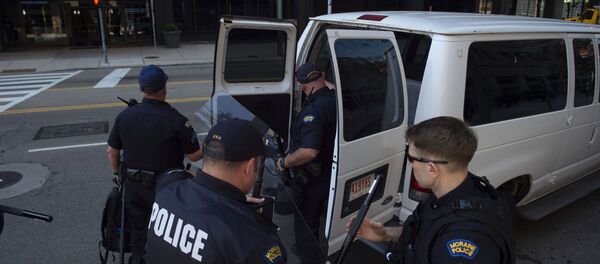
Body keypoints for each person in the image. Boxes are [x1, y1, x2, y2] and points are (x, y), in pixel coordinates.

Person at [347, 116, 515, 264]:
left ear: (432, 169)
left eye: (411, 158)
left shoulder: (463, 242)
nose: (410, 165)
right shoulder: (452, 194)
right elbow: (425, 232)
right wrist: (384, 234)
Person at [145, 118, 287, 263]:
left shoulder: (168, 189)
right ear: (250, 166)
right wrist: (245, 217)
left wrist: (233, 202)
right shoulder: (255, 240)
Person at [106, 64, 203, 264]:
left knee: (139, 231)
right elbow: (194, 156)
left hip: (133, 187)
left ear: (142, 89)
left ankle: (140, 259)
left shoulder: (125, 116)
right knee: (166, 232)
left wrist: (117, 173)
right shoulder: (175, 119)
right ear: (164, 88)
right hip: (165, 189)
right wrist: (210, 142)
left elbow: (112, 151)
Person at [276, 63, 336, 263]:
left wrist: (285, 163)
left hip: (313, 177)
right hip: (329, 171)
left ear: (303, 86)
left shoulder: (315, 110)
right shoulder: (334, 98)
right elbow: (329, 86)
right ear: (322, 77)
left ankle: (309, 257)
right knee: (316, 215)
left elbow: (309, 151)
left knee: (305, 223)